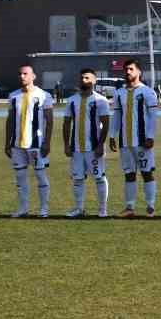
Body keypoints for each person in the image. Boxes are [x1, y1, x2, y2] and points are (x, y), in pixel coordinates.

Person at [109, 57, 161, 217]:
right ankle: (130, 207)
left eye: (131, 69)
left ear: (139, 71)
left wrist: (150, 136)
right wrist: (112, 135)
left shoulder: (147, 92)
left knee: (146, 173)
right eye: (126, 69)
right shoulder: (119, 93)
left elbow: (153, 115)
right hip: (125, 142)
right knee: (129, 174)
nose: (128, 72)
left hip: (142, 141)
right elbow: (117, 115)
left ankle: (150, 207)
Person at [4, 61, 54, 217]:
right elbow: (10, 120)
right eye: (20, 73)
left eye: (25, 73)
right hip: (17, 145)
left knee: (40, 176)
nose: (22, 76)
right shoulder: (13, 96)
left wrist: (47, 142)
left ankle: (44, 209)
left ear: (33, 76)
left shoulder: (44, 95)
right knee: (20, 179)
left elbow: (50, 120)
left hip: (36, 145)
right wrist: (7, 143)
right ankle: (23, 208)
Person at [61, 66, 110, 218]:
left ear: (94, 80)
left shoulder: (100, 100)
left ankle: (102, 210)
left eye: (87, 78)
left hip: (93, 148)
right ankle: (79, 209)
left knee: (99, 178)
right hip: (76, 148)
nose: (84, 80)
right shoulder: (72, 100)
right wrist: (66, 145)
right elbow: (66, 123)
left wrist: (101, 144)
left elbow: (105, 123)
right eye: (82, 78)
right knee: (77, 179)